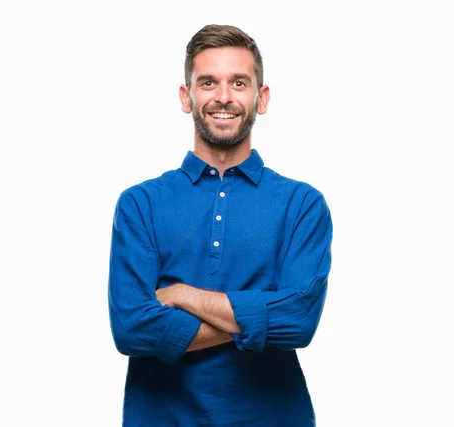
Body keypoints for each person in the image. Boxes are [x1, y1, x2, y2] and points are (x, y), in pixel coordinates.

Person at [108, 24, 333, 426]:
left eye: (239, 83)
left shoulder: (302, 204)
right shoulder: (139, 204)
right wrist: (261, 310)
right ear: (186, 96)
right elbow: (131, 329)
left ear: (261, 98)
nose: (224, 97)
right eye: (208, 82)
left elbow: (298, 320)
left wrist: (180, 294)